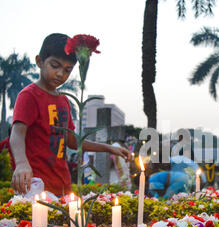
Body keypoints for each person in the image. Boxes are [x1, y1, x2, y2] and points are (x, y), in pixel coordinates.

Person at [10, 33, 131, 197]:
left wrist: (109, 148)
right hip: (36, 186)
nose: (60, 74)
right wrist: (21, 163)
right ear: (39, 61)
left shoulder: (64, 101)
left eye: (67, 70)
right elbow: (17, 133)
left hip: (62, 185)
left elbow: (73, 141)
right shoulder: (29, 96)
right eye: (55, 65)